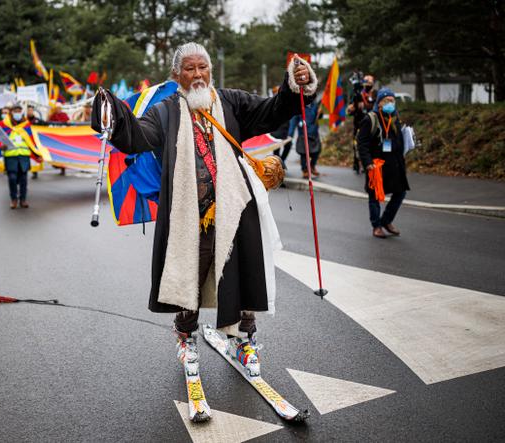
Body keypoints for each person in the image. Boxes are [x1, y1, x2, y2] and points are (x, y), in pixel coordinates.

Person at [91, 42, 316, 420]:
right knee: (188, 281)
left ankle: (245, 339)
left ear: (211, 72)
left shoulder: (232, 102)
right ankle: (187, 337)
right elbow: (136, 136)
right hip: (187, 217)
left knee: (243, 276)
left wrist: (295, 85)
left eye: (203, 68)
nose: (197, 75)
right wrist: (111, 111)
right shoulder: (165, 112)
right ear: (177, 75)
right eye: (190, 69)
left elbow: (274, 111)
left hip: (233, 211)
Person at [357, 88, 409, 238]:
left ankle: (386, 220)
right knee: (374, 197)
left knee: (400, 193)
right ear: (379, 103)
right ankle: (376, 226)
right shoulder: (370, 119)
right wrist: (368, 163)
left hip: (395, 165)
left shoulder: (395, 117)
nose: (390, 103)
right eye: (386, 101)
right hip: (376, 165)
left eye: (392, 100)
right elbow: (362, 143)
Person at [0, 102, 38, 209]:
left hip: (23, 156)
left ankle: (23, 199)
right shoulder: (4, 124)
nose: (17, 113)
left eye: (19, 111)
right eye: (15, 111)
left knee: (23, 179)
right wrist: (0, 145)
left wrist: (37, 153)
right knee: (12, 178)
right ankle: (13, 199)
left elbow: (32, 140)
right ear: (11, 113)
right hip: (10, 155)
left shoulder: (26, 125)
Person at [347, 74, 376, 173]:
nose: (368, 85)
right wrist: (353, 107)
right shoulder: (358, 95)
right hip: (359, 123)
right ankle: (358, 164)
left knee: (371, 144)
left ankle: (369, 162)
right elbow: (350, 110)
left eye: (370, 83)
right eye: (366, 83)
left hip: (372, 124)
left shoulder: (374, 94)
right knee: (358, 144)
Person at [289, 100, 322, 178]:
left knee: (317, 151)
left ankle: (312, 166)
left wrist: (321, 114)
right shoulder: (300, 107)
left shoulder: (315, 105)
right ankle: (305, 170)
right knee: (303, 154)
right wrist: (290, 134)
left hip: (314, 133)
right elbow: (293, 121)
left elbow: (318, 117)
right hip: (303, 133)